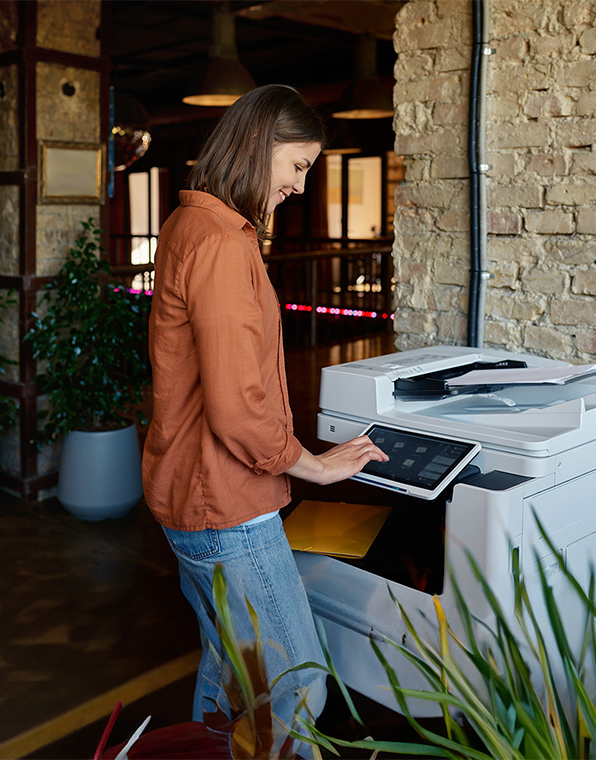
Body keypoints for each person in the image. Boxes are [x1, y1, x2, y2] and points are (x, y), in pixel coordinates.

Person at [142, 84, 388, 751]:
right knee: (299, 684)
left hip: (184, 496)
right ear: (260, 146)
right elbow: (236, 411)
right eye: (298, 166)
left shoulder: (187, 222)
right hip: (226, 506)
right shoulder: (223, 242)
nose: (301, 186)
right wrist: (315, 465)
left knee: (229, 668)